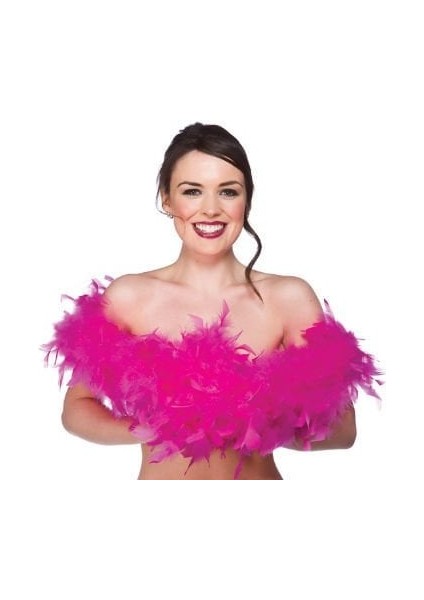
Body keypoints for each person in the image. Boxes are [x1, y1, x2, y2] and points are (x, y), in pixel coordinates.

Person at [42, 122, 382, 480]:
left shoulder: (288, 298)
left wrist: (257, 426)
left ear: (246, 201)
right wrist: (153, 430)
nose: (210, 209)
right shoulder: (129, 297)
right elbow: (77, 409)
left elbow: (344, 430)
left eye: (228, 192)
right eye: (192, 191)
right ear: (167, 199)